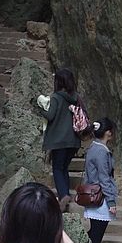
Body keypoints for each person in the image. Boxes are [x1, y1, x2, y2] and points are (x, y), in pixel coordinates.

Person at [38, 69, 89, 212]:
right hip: (73, 141)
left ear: (58, 81)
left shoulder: (56, 97)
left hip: (58, 141)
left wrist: (40, 109)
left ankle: (63, 197)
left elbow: (50, 115)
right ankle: (65, 194)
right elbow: (85, 114)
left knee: (57, 169)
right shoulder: (77, 97)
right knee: (63, 167)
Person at [83, 118, 118, 243]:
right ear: (109, 132)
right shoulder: (102, 151)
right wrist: (111, 202)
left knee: (93, 235)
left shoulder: (94, 146)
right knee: (96, 238)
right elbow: (104, 178)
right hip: (100, 198)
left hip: (93, 196)